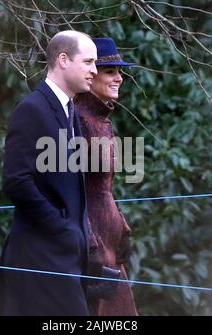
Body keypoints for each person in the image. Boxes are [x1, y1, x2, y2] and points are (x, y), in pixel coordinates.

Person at [0, 30, 97, 316]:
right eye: (88, 62)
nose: (94, 71)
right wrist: (61, 229)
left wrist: (78, 237)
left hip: (63, 256)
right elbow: (16, 181)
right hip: (39, 253)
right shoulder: (32, 109)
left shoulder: (69, 109)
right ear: (63, 60)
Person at [74, 37, 138, 316]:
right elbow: (72, 189)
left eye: (119, 72)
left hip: (109, 239)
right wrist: (90, 244)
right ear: (91, 74)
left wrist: (122, 227)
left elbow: (104, 188)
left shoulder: (101, 119)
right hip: (92, 243)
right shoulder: (77, 119)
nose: (119, 78)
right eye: (111, 71)